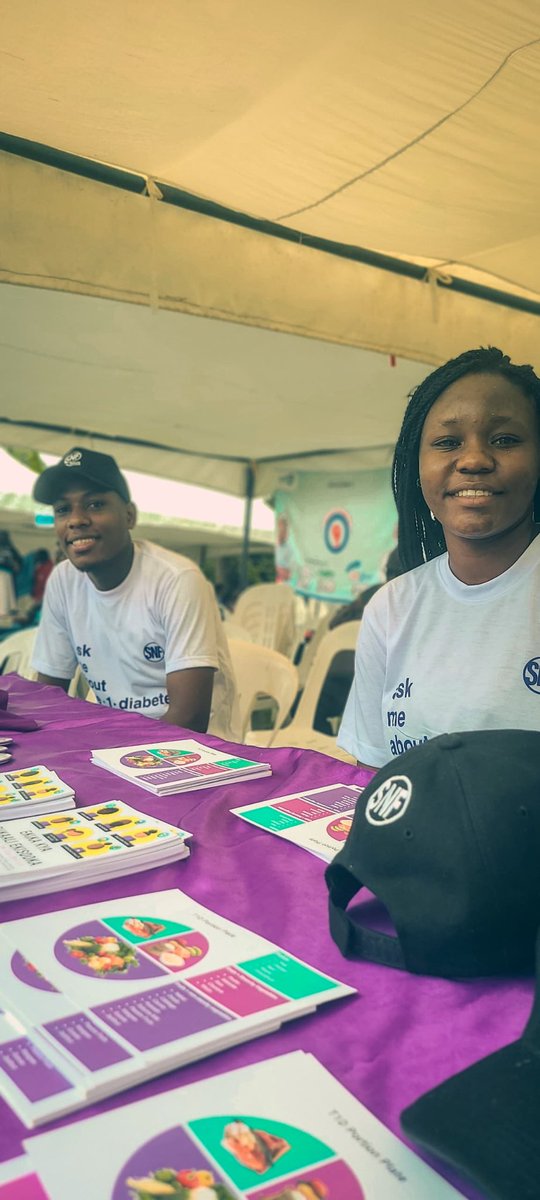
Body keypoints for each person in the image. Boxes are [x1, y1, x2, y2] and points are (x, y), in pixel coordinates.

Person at [338, 346, 540, 770]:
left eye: (505, 439)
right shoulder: (391, 608)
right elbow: (372, 773)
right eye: (448, 442)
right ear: (416, 466)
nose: (473, 460)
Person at [30, 447, 240, 739]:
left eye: (94, 505)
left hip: (200, 753)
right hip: (114, 741)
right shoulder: (63, 582)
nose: (75, 520)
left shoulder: (177, 580)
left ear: (129, 516)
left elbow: (189, 719)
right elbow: (48, 698)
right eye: (63, 509)